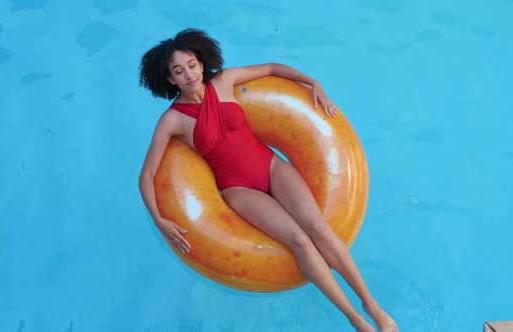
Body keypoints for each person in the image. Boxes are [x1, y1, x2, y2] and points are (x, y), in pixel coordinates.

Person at [138, 28, 399, 332]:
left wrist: (313, 83)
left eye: (192, 65)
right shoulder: (172, 120)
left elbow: (273, 68)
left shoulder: (224, 82)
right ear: (170, 79)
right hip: (239, 189)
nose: (189, 75)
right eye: (179, 71)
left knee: (317, 227)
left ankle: (371, 305)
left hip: (272, 167)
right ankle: (355, 319)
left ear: (201, 62)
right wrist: (159, 220)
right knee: (299, 241)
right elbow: (146, 174)